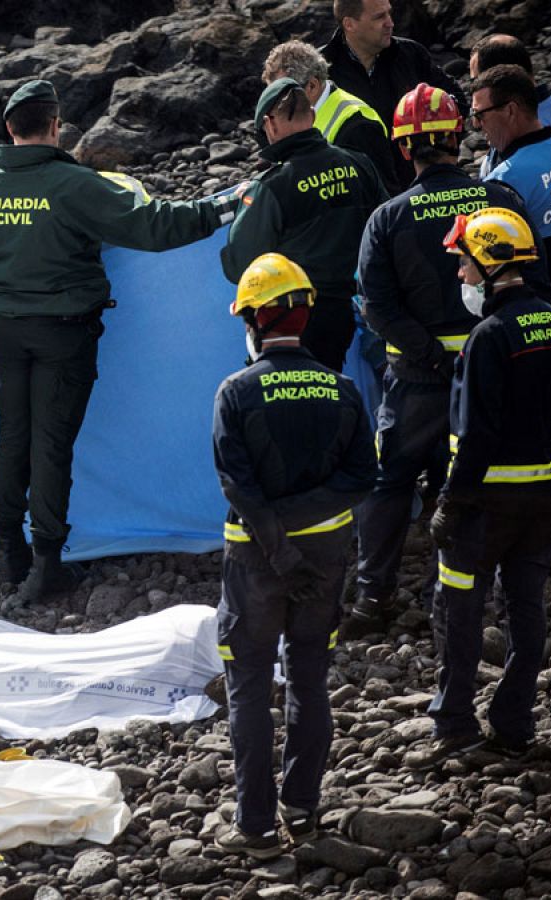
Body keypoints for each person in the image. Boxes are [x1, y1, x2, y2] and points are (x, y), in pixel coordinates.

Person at [0, 80, 238, 601]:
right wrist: (226, 206)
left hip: (5, 333)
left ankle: (10, 555)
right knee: (51, 444)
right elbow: (155, 227)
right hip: (65, 334)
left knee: (13, 438)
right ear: (55, 126)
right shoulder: (76, 185)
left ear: (9, 128)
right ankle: (47, 564)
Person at [350, 83, 551, 632]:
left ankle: (373, 598)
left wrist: (435, 360)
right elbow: (534, 282)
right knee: (470, 479)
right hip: (496, 377)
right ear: (458, 136)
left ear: (402, 148)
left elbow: (378, 310)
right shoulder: (500, 201)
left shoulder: (387, 218)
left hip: (416, 382)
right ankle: (463, 594)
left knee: (390, 480)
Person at [409, 208, 551, 765]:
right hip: (540, 502)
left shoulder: (487, 336)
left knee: (458, 610)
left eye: (465, 263)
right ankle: (514, 724)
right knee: (526, 610)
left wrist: (451, 501)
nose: (460, 274)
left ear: (490, 263)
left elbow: (476, 434)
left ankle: (455, 725)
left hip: (483, 507)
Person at [210, 254, 376, 858]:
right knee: (309, 680)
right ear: (304, 316)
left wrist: (279, 546)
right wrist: (304, 529)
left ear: (256, 318)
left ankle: (255, 828)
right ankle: (302, 810)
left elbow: (237, 485)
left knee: (250, 687)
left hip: (256, 563)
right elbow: (363, 477)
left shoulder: (236, 391)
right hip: (325, 559)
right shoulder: (343, 389)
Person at [222, 77, 387, 372]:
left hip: (296, 315)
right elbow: (386, 232)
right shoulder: (359, 164)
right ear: (311, 115)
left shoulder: (271, 186)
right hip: (363, 307)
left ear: (270, 125)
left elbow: (238, 264)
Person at [470, 35, 551, 312]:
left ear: (510, 110)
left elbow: (493, 260)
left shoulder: (506, 179)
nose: (477, 125)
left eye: (480, 115)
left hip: (527, 303)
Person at [320, 0, 468, 189]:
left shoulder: (411, 54)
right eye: (379, 17)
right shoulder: (321, 70)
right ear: (349, 24)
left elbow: (458, 101)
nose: (390, 23)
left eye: (389, 13)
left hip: (421, 186)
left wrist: (436, 154)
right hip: (357, 191)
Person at [264, 39, 402, 193]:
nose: (276, 104)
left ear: (312, 86)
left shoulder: (359, 125)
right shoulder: (303, 115)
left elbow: (382, 192)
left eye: (282, 96)